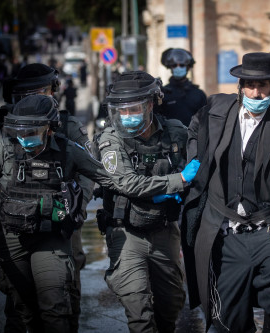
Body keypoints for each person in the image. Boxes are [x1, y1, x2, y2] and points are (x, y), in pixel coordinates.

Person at [0, 94, 199, 332]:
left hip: (50, 240)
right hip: (12, 238)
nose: (25, 138)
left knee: (55, 309)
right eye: (21, 132)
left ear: (50, 128)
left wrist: (157, 190)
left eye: (33, 131)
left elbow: (115, 180)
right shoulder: (5, 149)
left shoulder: (69, 151)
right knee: (20, 309)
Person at [181, 52, 270, 332]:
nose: (256, 93)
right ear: (241, 87)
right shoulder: (218, 109)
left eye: (263, 86)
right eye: (250, 85)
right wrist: (196, 157)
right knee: (230, 312)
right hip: (227, 226)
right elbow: (195, 128)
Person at [0, 63, 94, 332]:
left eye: (41, 92)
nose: (34, 99)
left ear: (53, 91)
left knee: (61, 300)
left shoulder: (68, 125)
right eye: (26, 95)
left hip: (59, 223)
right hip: (13, 222)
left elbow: (88, 173)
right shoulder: (8, 123)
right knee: (17, 304)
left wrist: (76, 207)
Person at [95, 71, 197, 332]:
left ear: (151, 104)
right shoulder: (111, 139)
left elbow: (200, 163)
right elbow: (126, 183)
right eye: (122, 111)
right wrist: (178, 181)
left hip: (165, 230)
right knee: (138, 309)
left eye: (134, 109)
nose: (128, 117)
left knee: (171, 304)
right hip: (126, 232)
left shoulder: (175, 132)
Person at [155, 48, 207, 126]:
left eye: (182, 65)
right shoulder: (162, 93)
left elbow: (205, 122)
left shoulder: (199, 94)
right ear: (170, 67)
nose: (178, 68)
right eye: (174, 65)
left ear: (188, 67)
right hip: (170, 137)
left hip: (193, 137)